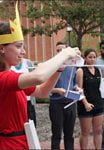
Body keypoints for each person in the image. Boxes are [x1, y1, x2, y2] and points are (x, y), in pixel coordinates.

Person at [0, 3, 80, 149]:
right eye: (18, 46)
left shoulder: (12, 76)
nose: (23, 52)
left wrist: (59, 69)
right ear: (1, 48)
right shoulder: (3, 78)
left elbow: (42, 91)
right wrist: (64, 54)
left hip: (20, 141)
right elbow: (39, 76)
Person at [49, 42, 77, 150]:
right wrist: (57, 90)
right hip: (56, 103)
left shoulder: (72, 67)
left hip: (70, 103)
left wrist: (77, 88)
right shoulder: (51, 67)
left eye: (62, 50)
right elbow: (44, 89)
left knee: (69, 134)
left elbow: (74, 83)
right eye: (57, 50)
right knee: (56, 134)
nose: (60, 52)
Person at [76, 49, 104, 149]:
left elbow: (101, 86)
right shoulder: (80, 70)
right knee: (85, 132)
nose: (92, 59)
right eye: (90, 57)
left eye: (94, 57)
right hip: (85, 104)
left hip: (98, 103)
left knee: (98, 131)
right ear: (85, 58)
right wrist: (85, 103)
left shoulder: (98, 70)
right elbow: (79, 90)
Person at [11, 58, 37, 127]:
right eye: (18, 47)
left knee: (32, 126)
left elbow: (34, 80)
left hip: (28, 100)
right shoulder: (7, 64)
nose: (22, 52)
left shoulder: (27, 62)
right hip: (15, 102)